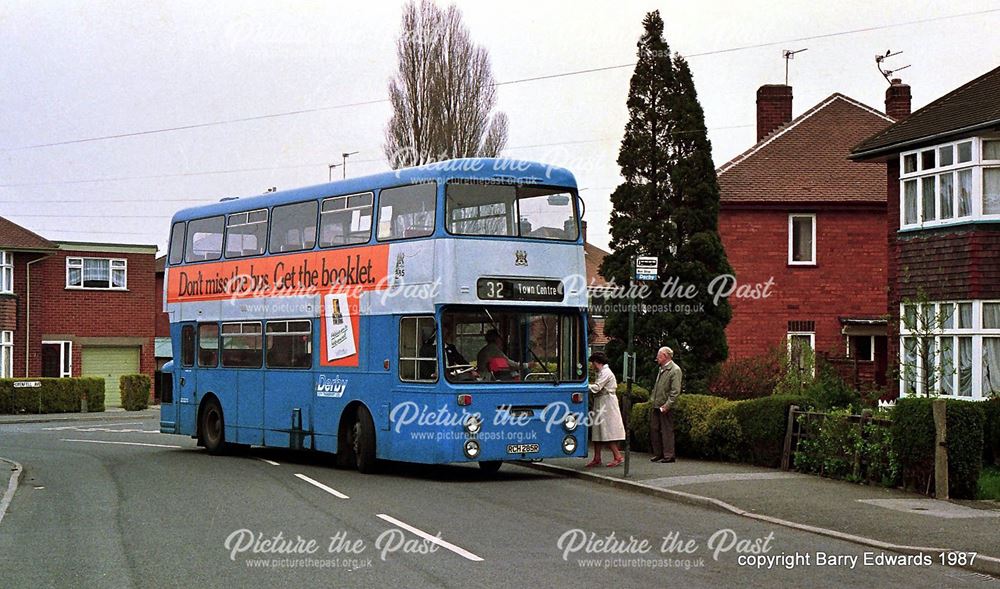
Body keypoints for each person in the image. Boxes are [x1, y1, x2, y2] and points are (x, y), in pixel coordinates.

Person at [585, 352, 626, 468]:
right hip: (601, 402)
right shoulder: (601, 372)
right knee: (597, 431)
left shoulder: (606, 373)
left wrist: (584, 386)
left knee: (608, 431)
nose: (592, 366)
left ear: (597, 362)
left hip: (607, 403)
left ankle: (618, 457)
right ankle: (597, 458)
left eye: (593, 363)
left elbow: (597, 387)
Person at [649, 346, 682, 463]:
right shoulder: (662, 368)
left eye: (659, 355)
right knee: (654, 429)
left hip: (666, 406)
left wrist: (667, 405)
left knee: (667, 430)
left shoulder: (675, 370)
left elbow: (675, 391)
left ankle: (669, 455)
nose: (657, 358)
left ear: (665, 356)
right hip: (657, 404)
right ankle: (658, 453)